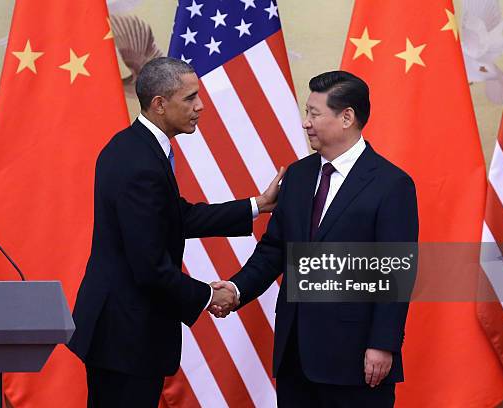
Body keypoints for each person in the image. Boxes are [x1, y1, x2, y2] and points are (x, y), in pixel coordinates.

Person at [68, 57, 282, 408]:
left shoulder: (135, 146)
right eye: (190, 98)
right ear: (160, 104)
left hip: (123, 331)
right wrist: (209, 296)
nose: (200, 106)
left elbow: (177, 216)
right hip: (126, 335)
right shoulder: (140, 163)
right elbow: (149, 267)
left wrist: (256, 205)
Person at [210, 71, 419, 407]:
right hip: (296, 356)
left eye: (314, 113)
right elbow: (274, 250)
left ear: (347, 117)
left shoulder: (391, 184)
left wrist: (383, 344)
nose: (306, 122)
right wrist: (235, 290)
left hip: (356, 358)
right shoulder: (298, 175)